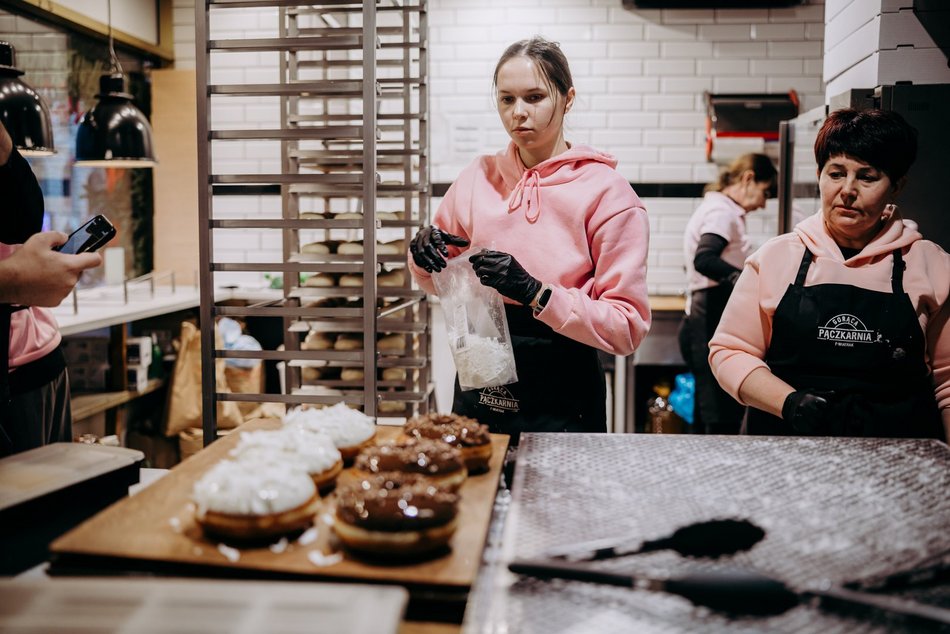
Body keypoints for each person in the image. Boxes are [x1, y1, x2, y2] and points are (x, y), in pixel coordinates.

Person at [408, 37, 651, 440]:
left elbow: (626, 329)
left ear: (567, 98)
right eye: (506, 100)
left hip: (562, 394)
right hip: (480, 377)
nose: (518, 113)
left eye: (534, 97)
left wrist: (537, 293)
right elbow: (439, 281)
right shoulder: (476, 178)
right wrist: (424, 256)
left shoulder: (609, 195)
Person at [709, 108, 949, 440]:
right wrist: (788, 402)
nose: (848, 190)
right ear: (820, 174)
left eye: (867, 177)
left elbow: (947, 380)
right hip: (783, 451)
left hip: (896, 457)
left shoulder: (931, 265)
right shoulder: (775, 259)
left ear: (896, 186)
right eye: (836, 174)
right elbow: (729, 351)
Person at [0, 120, 103, 456]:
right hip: (16, 373)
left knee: (50, 500)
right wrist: (14, 281)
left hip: (42, 362)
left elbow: (22, 219)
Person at [679, 153, 776, 435]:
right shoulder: (723, 212)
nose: (763, 203)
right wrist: (744, 280)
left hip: (706, 308)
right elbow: (704, 258)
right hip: (711, 308)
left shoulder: (721, 208)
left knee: (710, 403)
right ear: (748, 179)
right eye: (765, 191)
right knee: (718, 407)